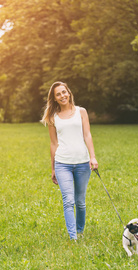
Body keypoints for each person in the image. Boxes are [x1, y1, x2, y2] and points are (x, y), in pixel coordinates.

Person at [41, 81, 98, 241]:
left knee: (80, 202)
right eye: (58, 94)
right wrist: (53, 169)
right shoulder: (53, 117)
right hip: (62, 164)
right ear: (55, 99)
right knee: (68, 201)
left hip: (82, 162)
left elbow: (87, 135)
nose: (62, 96)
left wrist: (92, 156)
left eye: (64, 92)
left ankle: (80, 232)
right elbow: (53, 143)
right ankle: (73, 238)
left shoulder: (81, 112)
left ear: (69, 92)